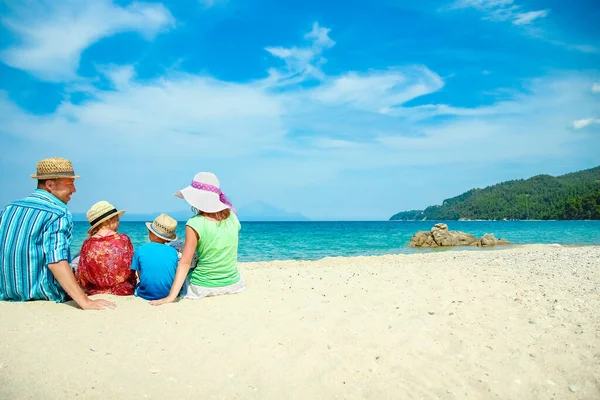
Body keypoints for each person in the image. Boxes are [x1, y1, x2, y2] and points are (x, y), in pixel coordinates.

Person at [0, 157, 114, 310]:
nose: (74, 190)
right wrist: (85, 302)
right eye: (69, 184)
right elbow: (56, 261)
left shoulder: (9, 209)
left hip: (7, 293)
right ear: (49, 185)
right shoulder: (57, 213)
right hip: (42, 295)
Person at [150, 172, 245, 306]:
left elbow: (185, 263)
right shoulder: (233, 218)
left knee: (177, 254)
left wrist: (170, 297)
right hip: (233, 283)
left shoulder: (195, 223)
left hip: (202, 287)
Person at [76, 201, 136, 295]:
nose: (119, 224)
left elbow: (82, 274)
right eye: (117, 220)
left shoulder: (87, 243)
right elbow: (131, 269)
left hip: (94, 291)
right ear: (108, 221)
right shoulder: (123, 239)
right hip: (122, 290)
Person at [131, 213, 179, 300]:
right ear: (168, 238)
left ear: (150, 232)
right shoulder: (173, 251)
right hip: (169, 294)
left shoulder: (140, 250)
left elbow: (139, 274)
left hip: (145, 294)